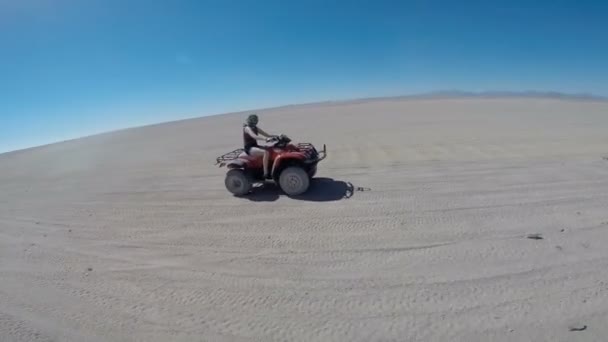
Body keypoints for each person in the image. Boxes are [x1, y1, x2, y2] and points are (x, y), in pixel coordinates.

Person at [243, 114, 275, 178]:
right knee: (266, 152)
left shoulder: (255, 127)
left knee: (270, 149)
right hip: (249, 148)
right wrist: (265, 139)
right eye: (255, 119)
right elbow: (254, 136)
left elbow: (267, 135)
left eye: (256, 119)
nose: (256, 121)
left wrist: (277, 136)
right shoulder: (247, 128)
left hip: (255, 146)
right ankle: (265, 173)